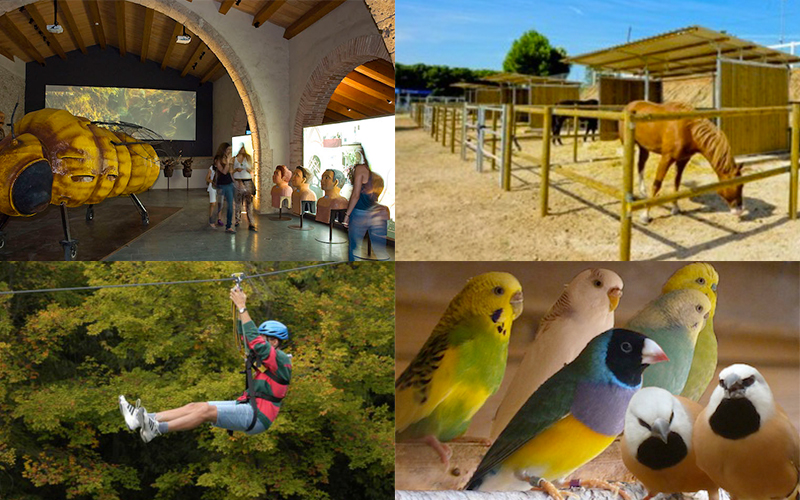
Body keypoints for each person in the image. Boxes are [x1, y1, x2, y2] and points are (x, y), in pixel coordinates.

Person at [118, 287, 292, 442]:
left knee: (204, 413)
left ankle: (157, 429)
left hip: (258, 416)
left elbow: (255, 341)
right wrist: (238, 309)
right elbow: (247, 337)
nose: (261, 341)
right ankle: (142, 419)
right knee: (196, 406)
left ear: (275, 342)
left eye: (265, 339)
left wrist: (242, 307)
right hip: (247, 406)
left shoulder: (281, 359)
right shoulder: (269, 357)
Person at [344, 162, 386, 261]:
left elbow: (355, 195)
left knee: (353, 248)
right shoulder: (376, 176)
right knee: (380, 250)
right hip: (375, 212)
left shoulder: (360, 169)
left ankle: (352, 271)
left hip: (360, 212)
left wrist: (347, 214)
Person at [212, 143, 235, 233]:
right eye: (228, 150)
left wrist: (235, 182)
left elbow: (230, 172)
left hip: (229, 184)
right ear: (224, 150)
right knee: (220, 205)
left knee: (230, 206)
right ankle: (212, 219)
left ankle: (228, 226)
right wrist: (228, 162)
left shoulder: (229, 159)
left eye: (230, 150)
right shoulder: (218, 159)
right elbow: (224, 172)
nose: (230, 151)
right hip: (221, 184)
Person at [232, 145, 256, 232]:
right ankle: (237, 220)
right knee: (238, 201)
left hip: (247, 180)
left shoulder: (248, 158)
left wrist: (249, 170)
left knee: (249, 202)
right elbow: (231, 170)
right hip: (238, 180)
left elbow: (252, 169)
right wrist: (236, 170)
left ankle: (251, 222)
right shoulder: (234, 158)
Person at [206, 159, 218, 226]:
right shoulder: (212, 167)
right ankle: (211, 218)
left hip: (219, 187)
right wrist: (212, 181)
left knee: (219, 204)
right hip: (213, 187)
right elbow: (207, 178)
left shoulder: (222, 167)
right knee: (212, 203)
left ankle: (218, 219)